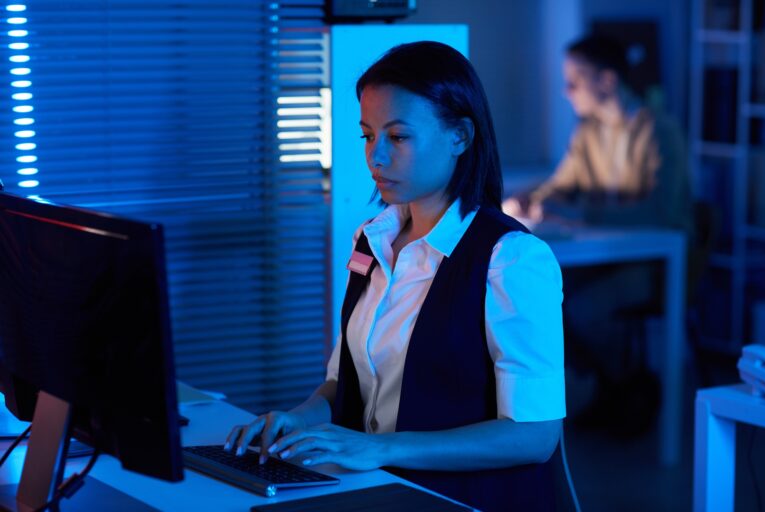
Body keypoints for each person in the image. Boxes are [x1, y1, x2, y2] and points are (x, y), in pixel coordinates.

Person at [225, 41, 565, 512]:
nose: (376, 158)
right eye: (367, 136)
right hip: (376, 489)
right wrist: (296, 420)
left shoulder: (512, 259)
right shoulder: (373, 239)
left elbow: (535, 435)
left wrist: (380, 449)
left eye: (398, 137)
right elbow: (344, 382)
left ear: (460, 137)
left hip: (460, 499)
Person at [505, 34, 692, 430]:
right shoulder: (588, 133)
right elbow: (562, 185)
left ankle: (621, 387)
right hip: (604, 259)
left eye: (574, 81)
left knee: (583, 309)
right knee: (542, 299)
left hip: (650, 265)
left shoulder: (658, 131)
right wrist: (533, 197)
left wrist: (580, 211)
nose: (565, 91)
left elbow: (662, 211)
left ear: (607, 81)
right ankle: (612, 386)